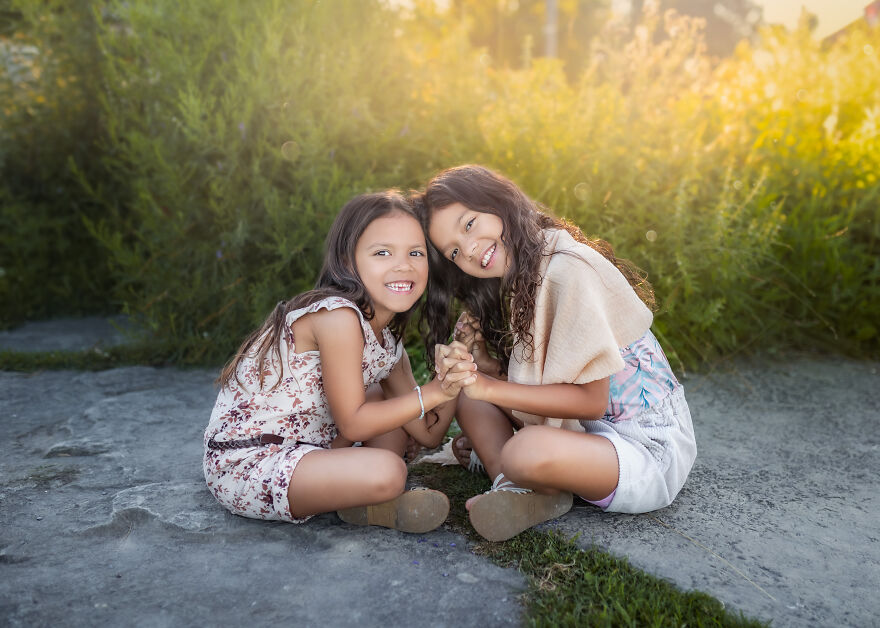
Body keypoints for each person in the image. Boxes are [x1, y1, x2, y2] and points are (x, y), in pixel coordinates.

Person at [416, 165, 697, 542]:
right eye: (453, 252)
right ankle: (515, 488)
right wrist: (484, 372)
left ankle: (519, 471)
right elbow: (547, 378)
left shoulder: (566, 269)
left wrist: (491, 387)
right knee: (473, 401)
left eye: (468, 225)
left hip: (643, 447)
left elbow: (590, 402)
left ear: (498, 203)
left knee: (523, 450)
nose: (468, 249)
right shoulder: (524, 274)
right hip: (589, 437)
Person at [204, 191, 476, 533]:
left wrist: (456, 364)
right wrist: (434, 392)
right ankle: (371, 495)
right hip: (251, 463)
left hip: (316, 452)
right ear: (348, 262)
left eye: (416, 253)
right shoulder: (337, 317)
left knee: (389, 404)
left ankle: (362, 502)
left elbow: (428, 433)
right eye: (382, 253)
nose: (403, 265)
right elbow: (355, 426)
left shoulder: (388, 346)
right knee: (389, 470)